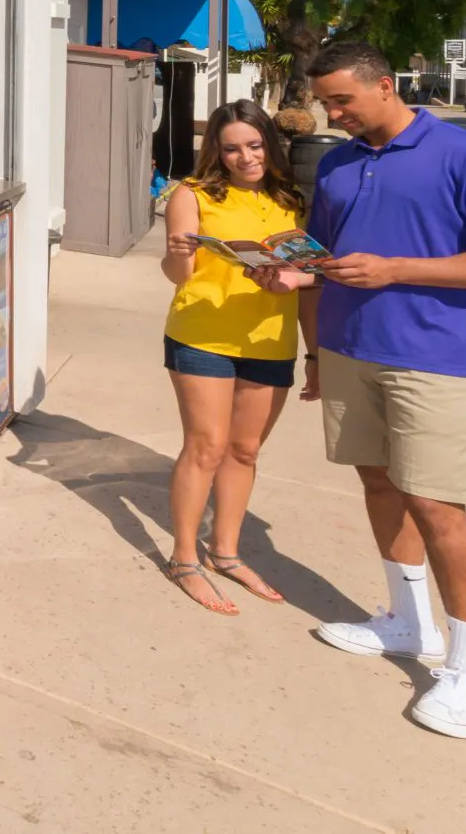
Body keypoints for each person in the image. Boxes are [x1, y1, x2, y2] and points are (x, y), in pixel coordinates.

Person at [251, 42, 466, 741]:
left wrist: (398, 269)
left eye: (342, 100)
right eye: (325, 102)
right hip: (350, 349)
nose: (332, 114)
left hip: (435, 358)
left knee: (438, 506)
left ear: (385, 85)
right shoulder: (339, 163)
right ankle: (407, 621)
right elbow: (324, 259)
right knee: (380, 484)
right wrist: (294, 279)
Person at [157, 99, 310, 614]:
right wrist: (178, 254)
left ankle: (225, 553)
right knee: (206, 446)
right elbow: (178, 276)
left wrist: (314, 350)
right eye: (232, 149)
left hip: (270, 339)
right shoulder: (193, 193)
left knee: (244, 451)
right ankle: (184, 559)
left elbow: (308, 278)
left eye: (255, 145)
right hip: (203, 335)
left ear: (270, 143)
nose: (246, 157)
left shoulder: (290, 198)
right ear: (216, 153)